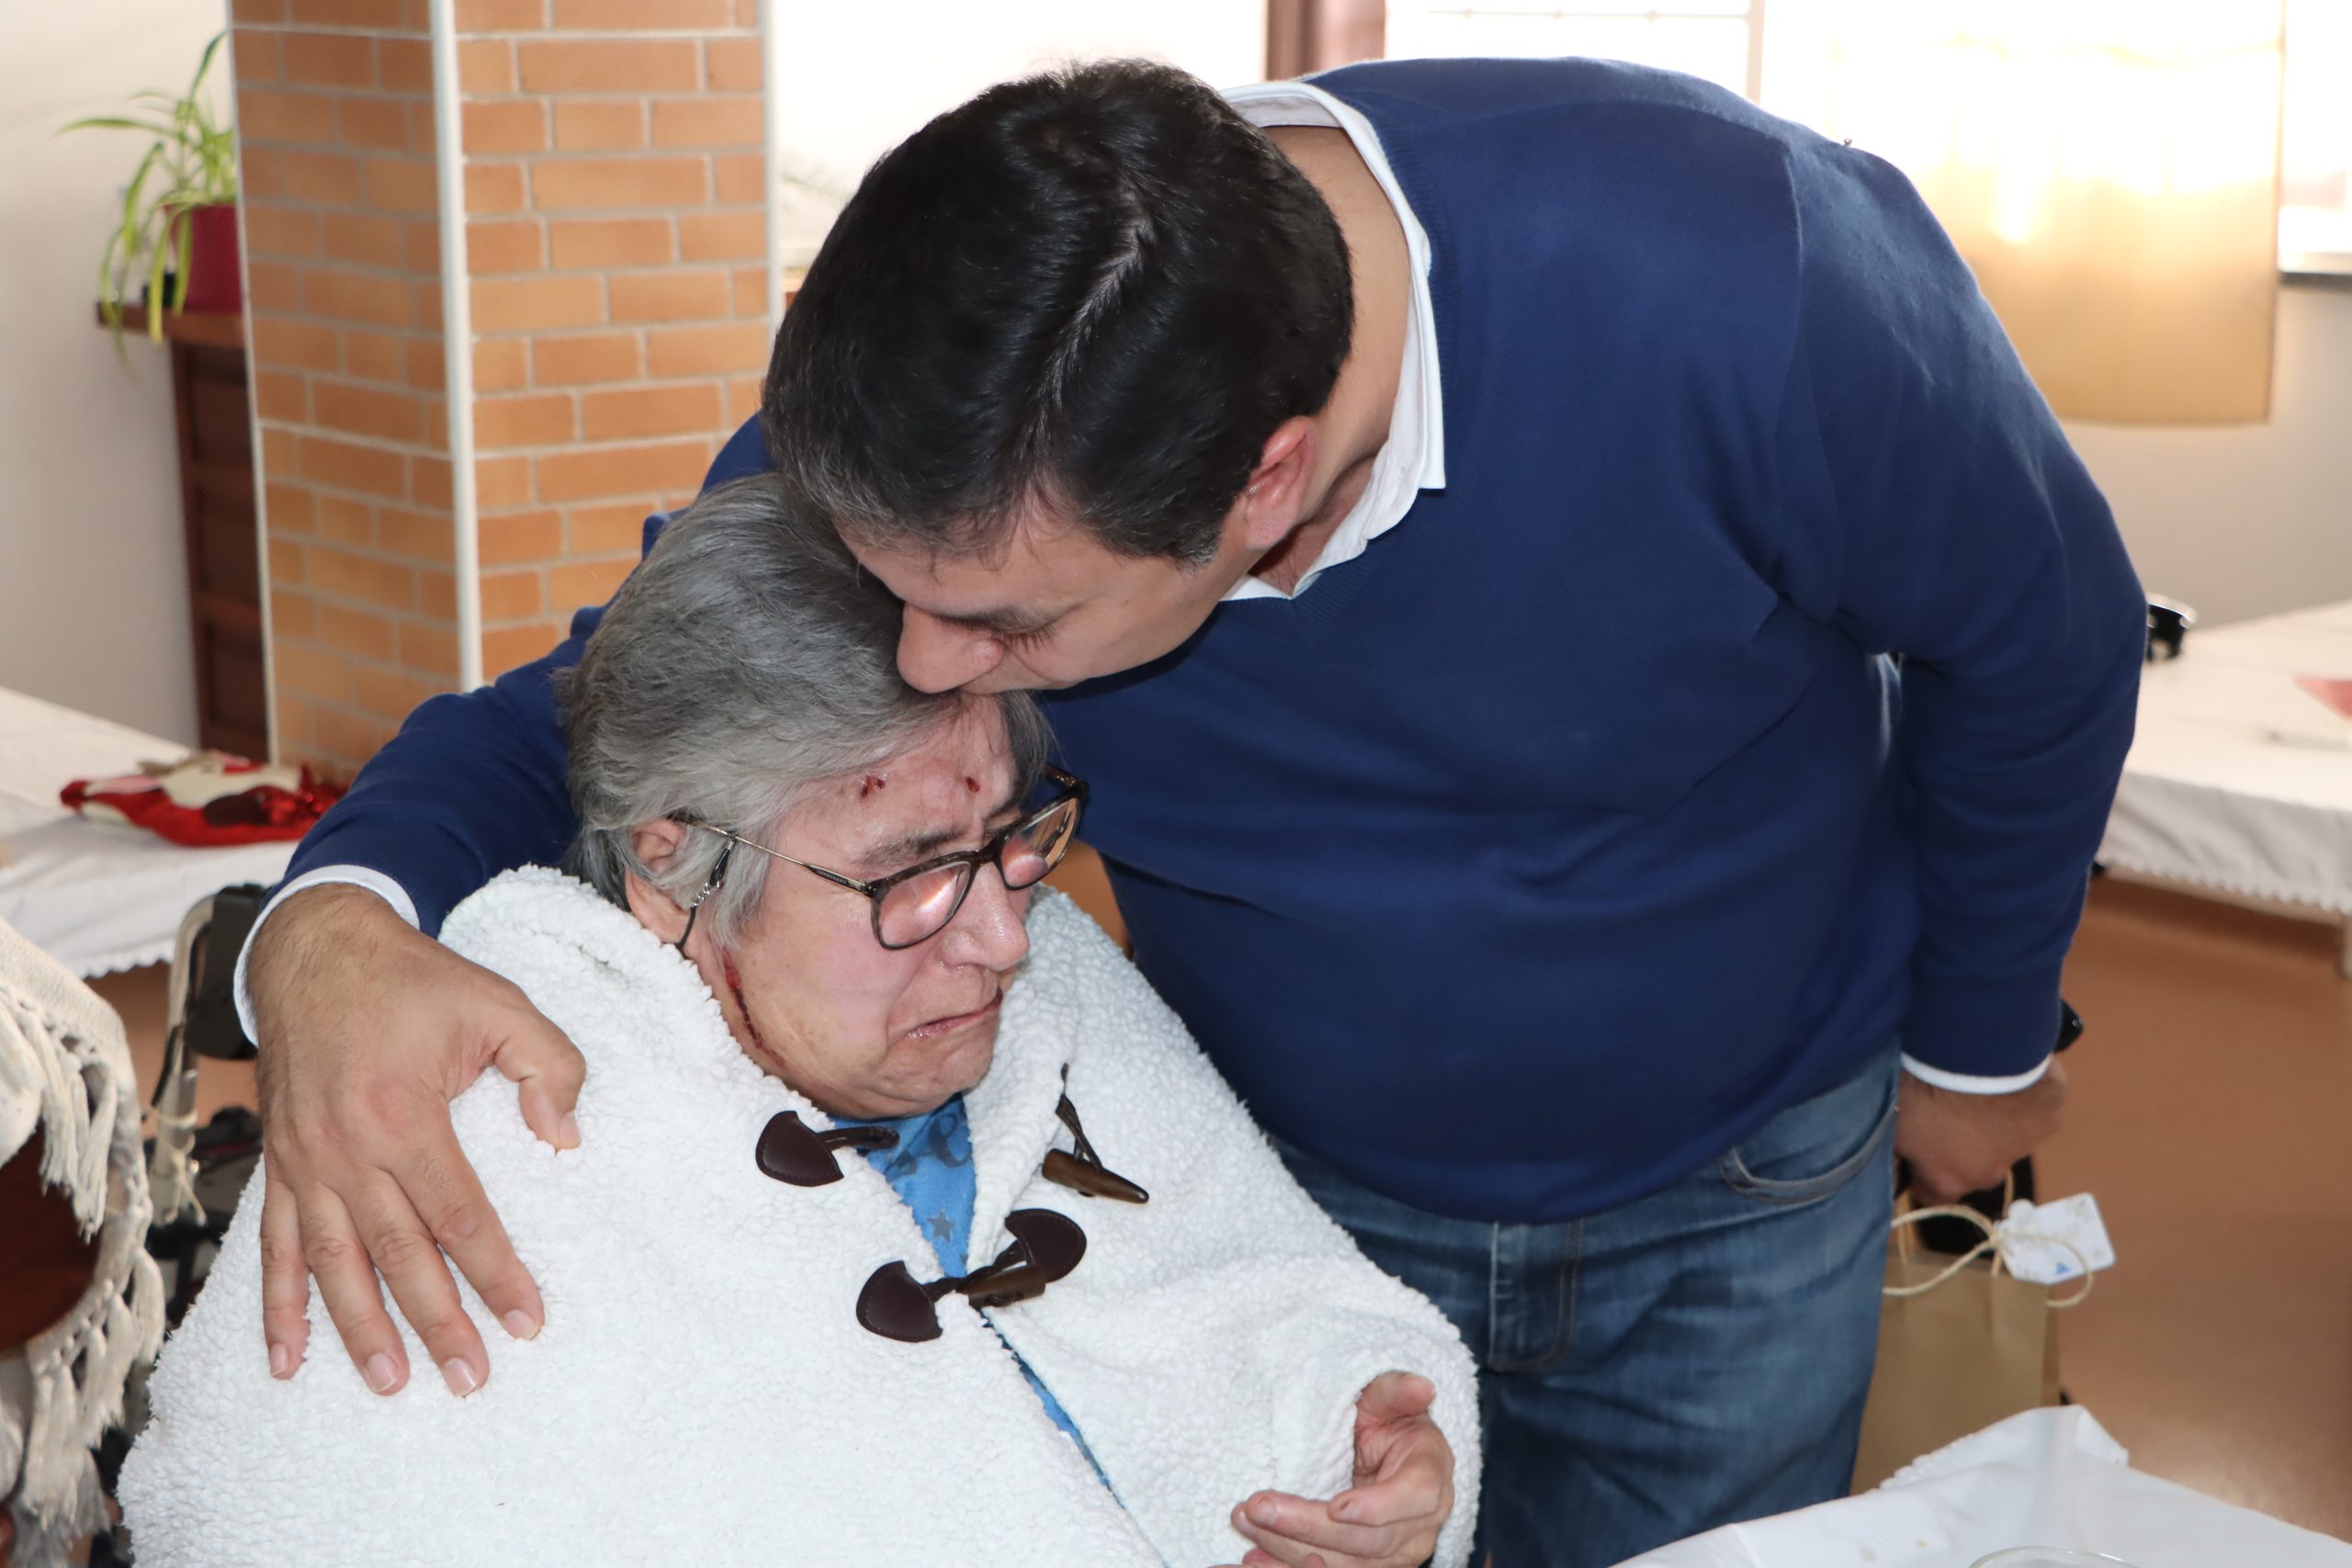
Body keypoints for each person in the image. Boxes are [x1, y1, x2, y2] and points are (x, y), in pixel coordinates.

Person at [239, 57, 2144, 1568]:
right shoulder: (975, 416)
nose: (921, 654)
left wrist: (1973, 1039)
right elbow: (615, 696)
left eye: (1001, 625)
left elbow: (2039, 631)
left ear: (1268, 481)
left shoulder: (1740, 272)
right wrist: (330, 929)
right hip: (1286, 1161)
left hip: (1736, 1164)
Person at [124, 477, 1477, 1568]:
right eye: (912, 872)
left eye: (1013, 839)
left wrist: (1383, 1460)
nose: (1008, 939)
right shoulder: (469, 1125)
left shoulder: (1055, 982)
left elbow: (1288, 1307)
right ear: (675, 863)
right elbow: (281, 1509)